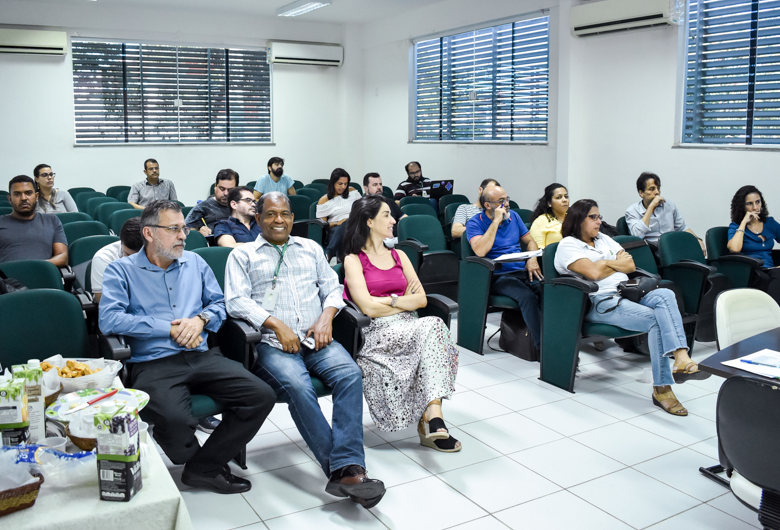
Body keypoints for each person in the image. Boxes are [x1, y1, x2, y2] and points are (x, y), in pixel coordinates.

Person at [99, 200, 276, 494]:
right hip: (153, 363)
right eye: (174, 229)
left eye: (183, 228)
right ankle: (201, 464)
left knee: (261, 395)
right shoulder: (121, 270)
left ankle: (201, 468)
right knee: (174, 419)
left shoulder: (196, 262)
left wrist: (200, 320)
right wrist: (168, 327)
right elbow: (110, 319)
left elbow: (219, 304)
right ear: (149, 233)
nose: (184, 235)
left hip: (201, 354)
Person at [225, 192, 386, 509]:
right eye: (271, 214)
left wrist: (327, 318)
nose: (279, 220)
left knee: (351, 374)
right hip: (273, 345)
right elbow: (236, 301)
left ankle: (346, 470)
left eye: (284, 214)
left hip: (316, 339)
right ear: (258, 219)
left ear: (292, 217)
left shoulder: (310, 248)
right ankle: (347, 471)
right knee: (299, 387)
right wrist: (276, 325)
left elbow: (332, 287)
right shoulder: (242, 255)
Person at [555, 199, 709, 416]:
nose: (599, 221)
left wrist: (603, 263)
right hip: (600, 302)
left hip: (628, 292)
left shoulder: (604, 239)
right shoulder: (568, 245)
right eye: (593, 217)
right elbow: (593, 274)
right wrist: (611, 263)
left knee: (665, 294)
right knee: (656, 319)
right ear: (578, 219)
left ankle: (681, 357)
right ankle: (662, 389)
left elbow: (629, 265)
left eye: (599, 217)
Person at [342, 196, 460, 452]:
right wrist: (400, 299)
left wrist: (389, 301)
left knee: (434, 326)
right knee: (433, 328)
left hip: (409, 325)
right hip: (375, 331)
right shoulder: (353, 259)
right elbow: (366, 307)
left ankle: (433, 415)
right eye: (386, 215)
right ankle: (433, 419)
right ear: (369, 221)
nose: (393, 220)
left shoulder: (400, 255)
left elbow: (420, 299)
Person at [466, 184, 543, 357]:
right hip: (497, 276)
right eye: (501, 201)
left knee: (548, 292)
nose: (507, 204)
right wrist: (495, 222)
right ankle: (542, 348)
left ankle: (551, 339)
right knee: (527, 297)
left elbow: (530, 241)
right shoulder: (475, 223)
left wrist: (532, 258)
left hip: (521, 271)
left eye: (507, 199)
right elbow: (480, 251)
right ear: (488, 205)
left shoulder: (513, 216)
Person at [727, 185, 780, 319]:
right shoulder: (735, 226)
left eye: (758, 202)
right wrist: (743, 222)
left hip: (770, 269)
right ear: (742, 207)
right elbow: (734, 248)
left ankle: (769, 320)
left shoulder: (770, 223)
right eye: (749, 204)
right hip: (751, 272)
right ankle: (776, 325)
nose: (755, 207)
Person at [0, 175, 68, 273]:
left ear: (36, 196)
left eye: (28, 193)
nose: (24, 198)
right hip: (5, 283)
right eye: (17, 194)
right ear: (10, 199)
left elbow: (62, 257)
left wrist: (35, 268)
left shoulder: (52, 221)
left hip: (42, 278)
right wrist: (3, 274)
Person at [624, 172, 705, 256]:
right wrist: (651, 207)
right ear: (641, 193)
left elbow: (682, 227)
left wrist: (697, 239)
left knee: (695, 252)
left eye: (658, 188)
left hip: (673, 246)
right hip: (652, 251)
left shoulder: (669, 205)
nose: (657, 192)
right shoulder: (632, 211)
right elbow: (637, 235)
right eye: (651, 189)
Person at [90, 218, 144, 303]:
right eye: (128, 255)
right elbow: (108, 305)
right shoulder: (104, 258)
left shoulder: (161, 253)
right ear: (121, 242)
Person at [316, 168, 361, 262]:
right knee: (347, 224)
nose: (343, 187)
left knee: (350, 222)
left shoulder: (352, 192)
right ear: (333, 183)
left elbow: (361, 209)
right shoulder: (324, 200)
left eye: (346, 184)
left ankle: (328, 253)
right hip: (336, 230)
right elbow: (321, 225)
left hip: (356, 225)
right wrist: (338, 223)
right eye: (340, 184)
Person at [184, 169, 239, 236]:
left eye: (230, 190)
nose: (226, 193)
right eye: (222, 189)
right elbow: (185, 231)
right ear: (215, 186)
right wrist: (199, 232)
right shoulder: (202, 207)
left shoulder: (242, 206)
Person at [529, 183, 569, 249]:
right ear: (549, 203)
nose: (564, 200)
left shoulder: (573, 218)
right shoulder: (541, 221)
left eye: (566, 196)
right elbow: (538, 252)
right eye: (559, 197)